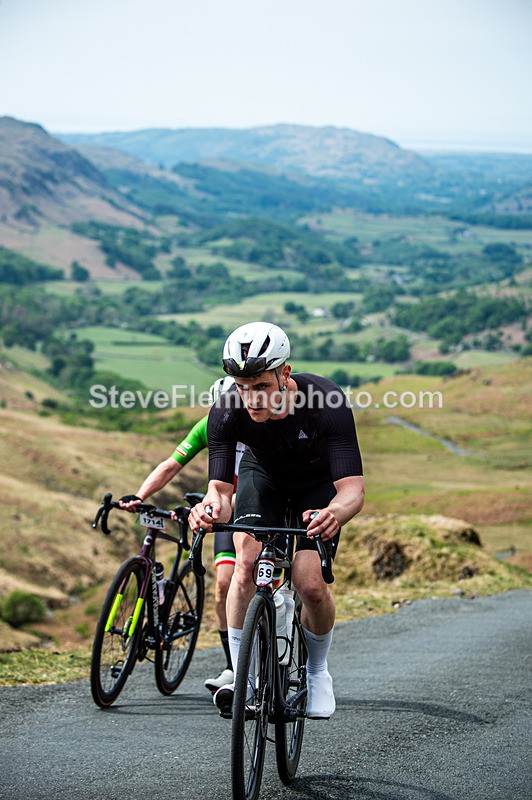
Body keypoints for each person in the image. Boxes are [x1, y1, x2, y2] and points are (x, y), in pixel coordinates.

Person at [189, 321, 364, 719]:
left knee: (309, 585)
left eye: (261, 386)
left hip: (319, 487)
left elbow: (353, 490)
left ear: (285, 374)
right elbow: (219, 490)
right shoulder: (227, 410)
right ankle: (244, 677)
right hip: (263, 476)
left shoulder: (325, 401)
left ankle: (317, 672)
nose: (250, 398)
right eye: (241, 386)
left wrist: (333, 513)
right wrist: (208, 508)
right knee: (245, 566)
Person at [119, 376, 243, 693]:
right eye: (221, 407)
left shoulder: (263, 423)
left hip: (263, 506)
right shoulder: (209, 425)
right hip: (227, 509)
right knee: (224, 587)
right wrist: (140, 495)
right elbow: (171, 465)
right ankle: (234, 666)